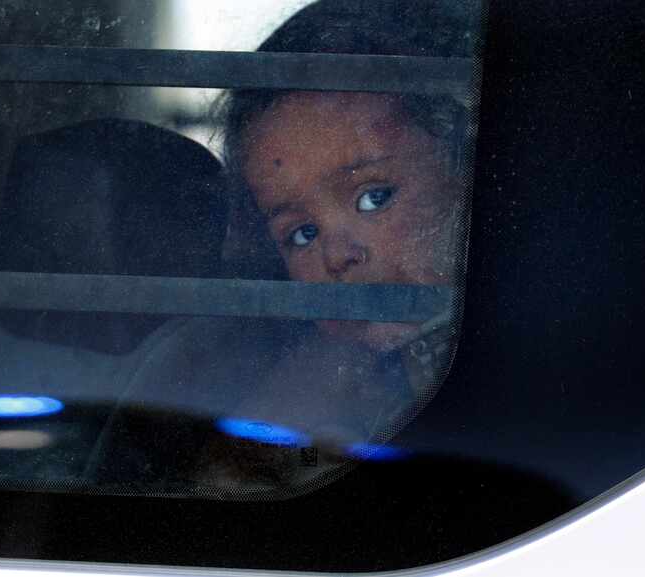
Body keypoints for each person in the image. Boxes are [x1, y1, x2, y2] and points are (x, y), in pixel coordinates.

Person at [93, 0, 480, 494]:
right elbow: (234, 483)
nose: (337, 255)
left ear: (466, 173)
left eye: (374, 198)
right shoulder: (310, 372)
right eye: (302, 234)